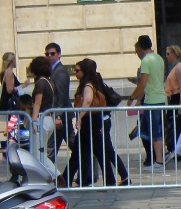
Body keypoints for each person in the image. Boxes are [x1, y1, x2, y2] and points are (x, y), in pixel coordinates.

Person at [70, 59, 129, 187]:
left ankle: (122, 176)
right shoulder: (96, 80)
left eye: (77, 70)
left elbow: (88, 100)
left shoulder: (90, 83)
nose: (75, 72)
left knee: (104, 150)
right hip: (98, 120)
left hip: (97, 120)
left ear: (85, 71)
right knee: (95, 151)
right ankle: (109, 179)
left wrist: (79, 117)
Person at [126, 35, 167, 169]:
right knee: (154, 130)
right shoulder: (159, 58)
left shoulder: (146, 61)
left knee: (152, 131)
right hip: (161, 98)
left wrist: (132, 98)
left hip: (151, 100)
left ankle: (159, 160)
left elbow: (143, 84)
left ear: (140, 48)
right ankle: (159, 158)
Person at [27, 55, 56, 168]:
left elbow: (37, 103)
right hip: (48, 119)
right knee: (40, 151)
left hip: (41, 119)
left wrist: (34, 121)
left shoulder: (40, 83)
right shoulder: (49, 82)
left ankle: (55, 175)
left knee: (37, 152)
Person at [45, 42, 71, 160]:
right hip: (58, 115)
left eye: (52, 53)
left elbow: (62, 95)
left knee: (51, 148)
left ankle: (48, 175)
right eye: (47, 54)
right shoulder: (52, 70)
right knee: (53, 147)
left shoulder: (60, 71)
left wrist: (58, 116)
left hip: (61, 116)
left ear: (59, 54)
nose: (50, 56)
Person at [164, 45, 181, 148]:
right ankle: (173, 146)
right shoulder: (176, 67)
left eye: (168, 54)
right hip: (173, 97)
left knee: (175, 124)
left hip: (177, 97)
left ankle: (174, 147)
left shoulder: (179, 67)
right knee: (172, 123)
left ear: (175, 54)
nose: (167, 56)